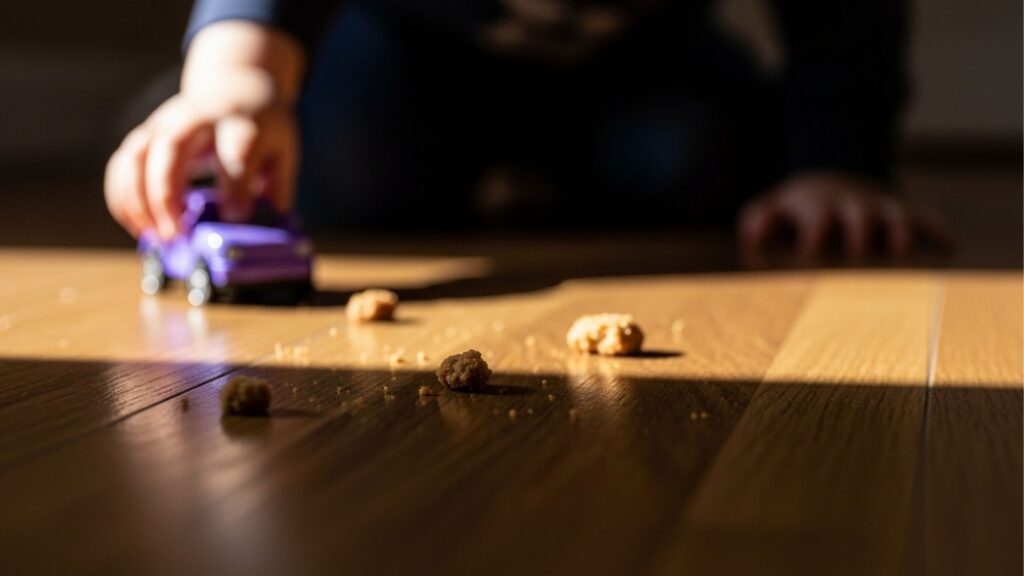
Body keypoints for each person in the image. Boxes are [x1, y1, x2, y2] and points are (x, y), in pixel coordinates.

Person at [105, 0, 945, 260]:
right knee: (347, 175)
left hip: (638, 63)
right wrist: (238, 74)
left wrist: (842, 163)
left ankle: (541, 166)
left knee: (721, 165)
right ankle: (208, 114)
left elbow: (846, 17)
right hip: (414, 42)